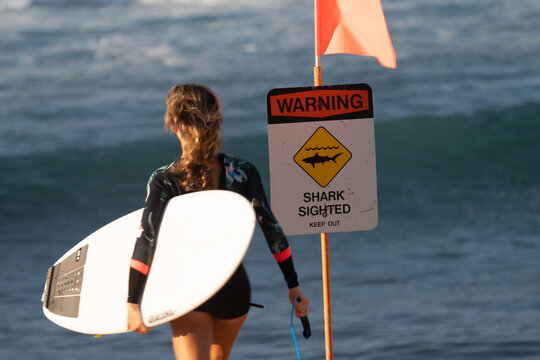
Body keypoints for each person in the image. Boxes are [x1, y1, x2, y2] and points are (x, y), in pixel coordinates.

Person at [126, 84, 310, 360]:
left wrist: (133, 302)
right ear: (217, 122)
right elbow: (270, 228)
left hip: (192, 289)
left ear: (173, 124)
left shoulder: (165, 180)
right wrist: (292, 284)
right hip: (235, 289)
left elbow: (147, 239)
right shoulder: (243, 172)